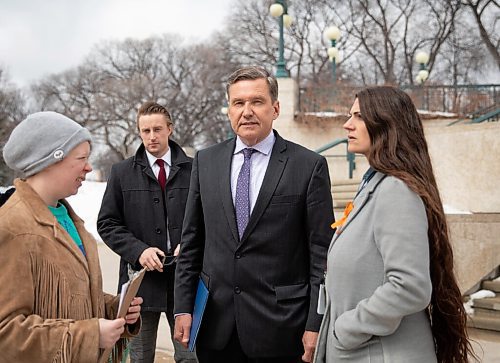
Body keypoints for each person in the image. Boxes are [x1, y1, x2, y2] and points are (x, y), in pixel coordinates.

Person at [174, 66, 335, 363]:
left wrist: (316, 322)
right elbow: (192, 241)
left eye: (257, 102)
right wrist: (183, 307)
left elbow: (321, 254)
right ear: (228, 111)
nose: (247, 111)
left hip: (283, 329)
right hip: (216, 329)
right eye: (238, 103)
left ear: (275, 109)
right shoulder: (205, 162)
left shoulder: (308, 166)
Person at [314, 86, 475, 363]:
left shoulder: (395, 191)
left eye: (359, 116)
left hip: (380, 354)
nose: (347, 124)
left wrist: (346, 330)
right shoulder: (373, 186)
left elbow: (410, 285)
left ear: (386, 124)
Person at [0, 111, 142, 362]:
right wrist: (89, 336)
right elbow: (6, 333)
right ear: (51, 160)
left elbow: (71, 299)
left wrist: (114, 309)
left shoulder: (68, 218)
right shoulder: (12, 227)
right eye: (82, 158)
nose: (89, 166)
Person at [97, 101, 196, 363]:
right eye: (145, 131)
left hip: (185, 280)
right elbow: (107, 223)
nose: (151, 137)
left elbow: (209, 219)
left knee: (191, 357)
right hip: (140, 282)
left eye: (157, 129)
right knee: (140, 357)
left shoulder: (195, 169)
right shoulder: (121, 173)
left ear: (170, 129)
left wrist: (190, 243)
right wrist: (139, 251)